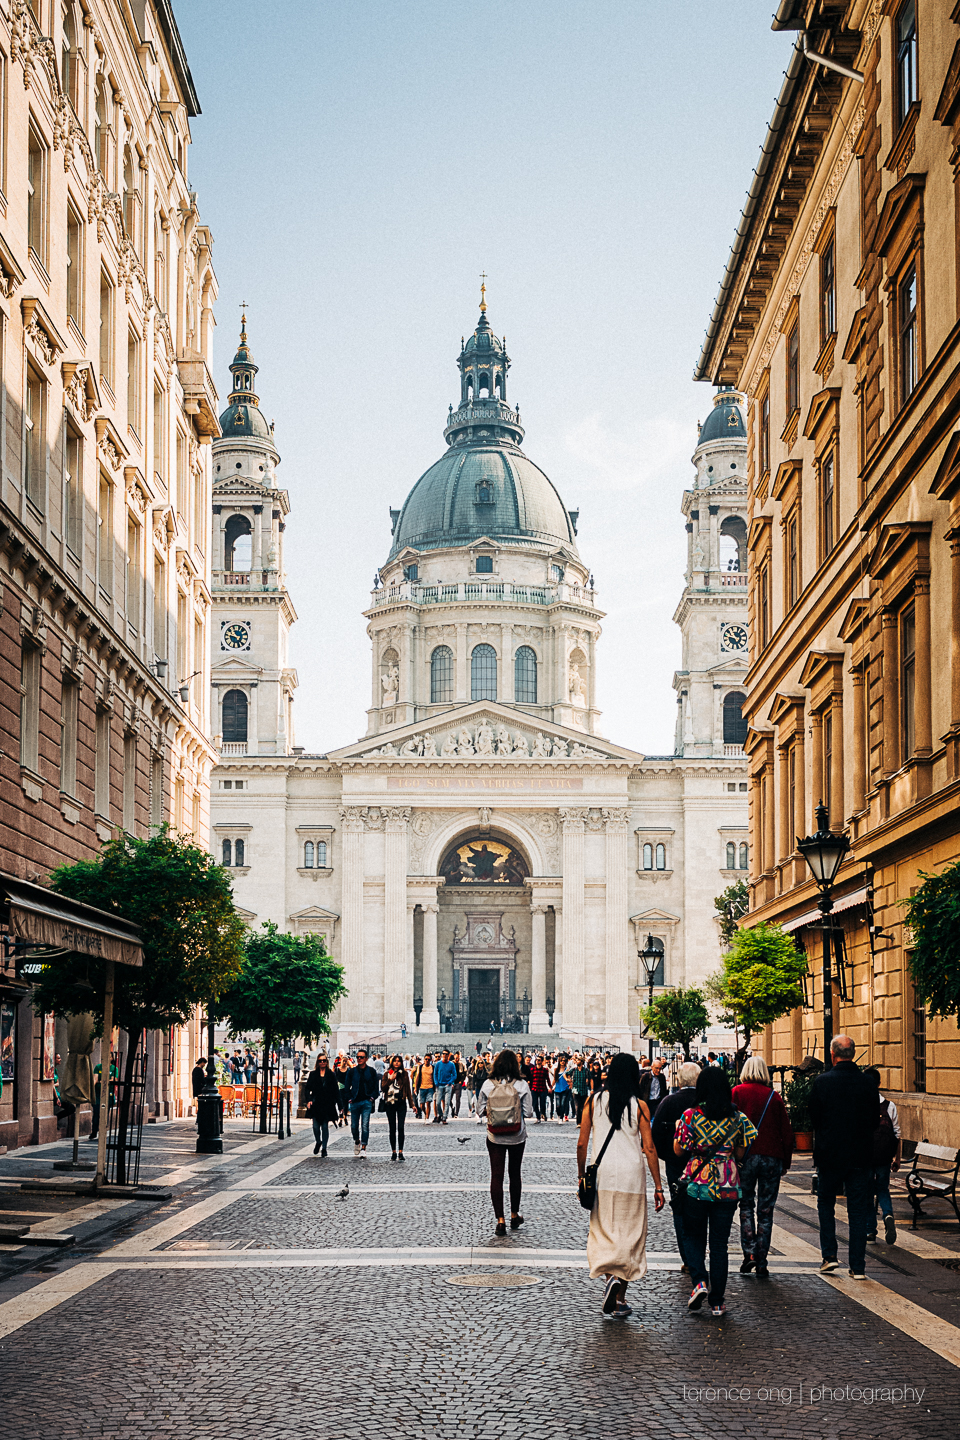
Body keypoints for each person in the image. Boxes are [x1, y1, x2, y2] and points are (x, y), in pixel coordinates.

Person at [578, 1052, 665, 1320]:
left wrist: (581, 1175)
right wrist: (659, 1186)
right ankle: (620, 1298)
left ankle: (609, 1280)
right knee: (630, 1233)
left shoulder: (592, 1101)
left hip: (604, 1175)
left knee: (603, 1230)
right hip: (631, 1175)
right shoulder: (640, 1106)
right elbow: (649, 1148)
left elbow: (582, 1143)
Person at [674, 1066, 757, 1317]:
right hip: (727, 1185)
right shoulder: (738, 1118)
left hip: (697, 1184)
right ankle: (718, 1302)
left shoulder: (690, 1116)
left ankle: (699, 1281)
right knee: (719, 1244)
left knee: (693, 1236)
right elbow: (741, 1153)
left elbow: (679, 1151)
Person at [809, 1035, 881, 1279]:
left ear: (832, 1055)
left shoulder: (822, 1082)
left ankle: (829, 1256)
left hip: (830, 1155)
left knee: (826, 1204)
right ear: (853, 1054)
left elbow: (814, 1121)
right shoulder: (868, 1084)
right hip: (860, 1156)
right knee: (858, 1210)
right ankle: (858, 1266)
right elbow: (874, 1121)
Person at [732, 1057, 794, 1277]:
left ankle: (749, 1253)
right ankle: (762, 1260)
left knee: (746, 1205)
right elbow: (786, 1133)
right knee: (766, 1210)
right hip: (771, 1158)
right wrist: (785, 1161)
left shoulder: (737, 1093)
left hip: (745, 1157)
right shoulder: (774, 1097)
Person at [476, 1048, 533, 1237]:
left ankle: (500, 1221)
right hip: (517, 1136)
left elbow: (479, 1110)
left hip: (495, 1136)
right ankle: (514, 1214)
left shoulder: (487, 1084)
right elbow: (528, 1113)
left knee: (496, 1176)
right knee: (514, 1174)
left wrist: (496, 1114)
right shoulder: (522, 1085)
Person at [651, 1060, 700, 1273]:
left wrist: (668, 1156)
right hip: (702, 1165)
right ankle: (698, 1254)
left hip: (676, 1164)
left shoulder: (668, 1102)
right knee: (700, 1208)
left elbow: (656, 1136)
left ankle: (688, 1259)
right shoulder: (704, 1101)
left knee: (679, 1208)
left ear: (679, 1080)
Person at [862, 1066, 900, 1246]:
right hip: (884, 1157)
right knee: (883, 1189)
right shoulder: (889, 1106)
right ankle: (888, 1214)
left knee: (868, 1192)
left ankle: (870, 1230)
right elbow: (897, 1134)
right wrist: (897, 1159)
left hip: (866, 1156)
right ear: (879, 1083)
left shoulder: (859, 1104)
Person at [344, 1049, 379, 1156]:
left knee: (365, 1125)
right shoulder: (352, 1071)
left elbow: (376, 1088)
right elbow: (346, 1086)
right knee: (354, 1126)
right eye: (358, 1057)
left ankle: (363, 1147)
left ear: (366, 1059)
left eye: (361, 1057)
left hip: (366, 1102)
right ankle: (357, 1141)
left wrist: (372, 1097)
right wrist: (349, 1098)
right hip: (354, 1102)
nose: (359, 1059)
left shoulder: (372, 1071)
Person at [304, 1054, 340, 1156]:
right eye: (320, 1061)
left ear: (327, 1062)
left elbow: (336, 1091)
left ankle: (324, 1148)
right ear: (317, 1062)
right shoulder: (313, 1074)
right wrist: (309, 1100)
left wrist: (340, 1106)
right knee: (315, 1127)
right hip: (316, 1104)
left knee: (325, 1127)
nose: (322, 1062)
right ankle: (318, 1141)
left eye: (324, 1060)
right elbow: (307, 1089)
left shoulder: (331, 1074)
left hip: (327, 1104)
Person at [381, 1053, 413, 1161]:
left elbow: (408, 1089)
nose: (396, 1062)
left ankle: (401, 1152)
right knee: (392, 1128)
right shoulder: (387, 1074)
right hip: (390, 1103)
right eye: (395, 1061)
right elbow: (383, 1088)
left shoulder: (404, 1074)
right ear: (392, 1062)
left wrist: (412, 1105)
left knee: (400, 1128)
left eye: (399, 1061)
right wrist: (391, 1079)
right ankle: (393, 1152)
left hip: (401, 1103)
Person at [433, 1049, 457, 1123]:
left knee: (446, 1103)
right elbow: (435, 1074)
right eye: (443, 1054)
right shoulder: (438, 1064)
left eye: (446, 1054)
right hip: (439, 1085)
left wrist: (450, 1082)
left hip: (447, 1085)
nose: (444, 1055)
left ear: (449, 1055)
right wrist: (436, 1082)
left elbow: (454, 1075)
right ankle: (440, 1114)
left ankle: (444, 1118)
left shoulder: (451, 1064)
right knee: (437, 1103)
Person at [415, 1053, 435, 1121]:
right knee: (422, 1105)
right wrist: (415, 1087)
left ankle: (427, 1118)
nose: (427, 1060)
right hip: (422, 1087)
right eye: (426, 1059)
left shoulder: (432, 1067)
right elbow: (417, 1077)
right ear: (424, 1059)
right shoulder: (420, 1067)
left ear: (431, 1060)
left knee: (428, 1102)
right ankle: (425, 1113)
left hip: (430, 1087)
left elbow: (434, 1077)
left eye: (428, 1059)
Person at [529, 1053, 549, 1122]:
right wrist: (529, 1087)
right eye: (537, 1060)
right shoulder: (532, 1070)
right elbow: (530, 1079)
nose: (537, 1061)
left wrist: (550, 1087)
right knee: (534, 1104)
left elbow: (547, 1079)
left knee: (542, 1104)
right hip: (534, 1088)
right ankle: (538, 1117)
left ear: (542, 1061)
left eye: (539, 1060)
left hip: (542, 1088)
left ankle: (543, 1113)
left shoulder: (545, 1070)